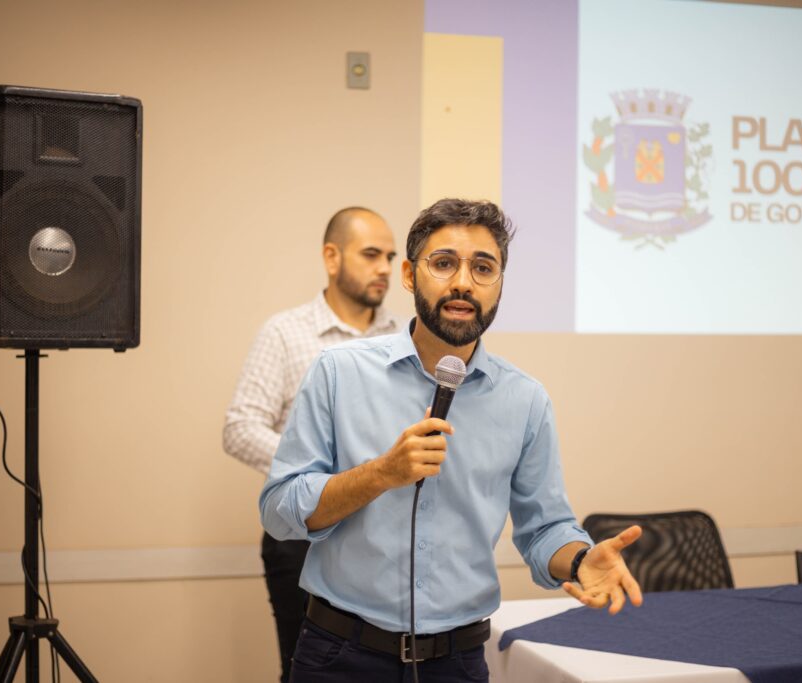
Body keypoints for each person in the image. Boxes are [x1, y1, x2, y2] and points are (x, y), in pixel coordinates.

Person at [259, 198, 643, 682]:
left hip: (457, 663)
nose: (463, 281)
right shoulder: (339, 373)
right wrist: (381, 474)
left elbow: (544, 528)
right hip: (340, 655)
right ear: (408, 275)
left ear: (500, 283)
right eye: (443, 264)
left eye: (483, 267)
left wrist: (581, 558)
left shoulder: (525, 400)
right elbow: (279, 510)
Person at [224, 207, 402, 683]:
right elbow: (240, 427)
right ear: (331, 257)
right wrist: (325, 474)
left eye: (390, 255)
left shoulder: (405, 339)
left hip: (384, 541)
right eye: (371, 254)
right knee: (309, 672)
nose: (385, 267)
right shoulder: (285, 333)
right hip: (301, 536)